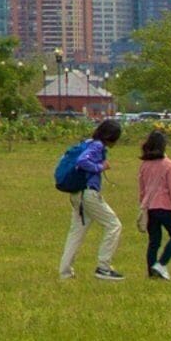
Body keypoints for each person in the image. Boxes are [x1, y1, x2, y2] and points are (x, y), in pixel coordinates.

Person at [56, 118, 125, 281]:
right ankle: (104, 267)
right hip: (88, 194)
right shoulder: (97, 146)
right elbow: (82, 161)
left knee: (76, 232)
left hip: (77, 194)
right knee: (114, 225)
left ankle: (65, 272)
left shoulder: (88, 142)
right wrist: (100, 167)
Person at [138, 128, 171, 279]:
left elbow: (142, 189)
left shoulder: (145, 165)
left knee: (154, 242)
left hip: (150, 208)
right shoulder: (170, 165)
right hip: (166, 207)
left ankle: (151, 271)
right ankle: (161, 264)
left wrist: (143, 207)